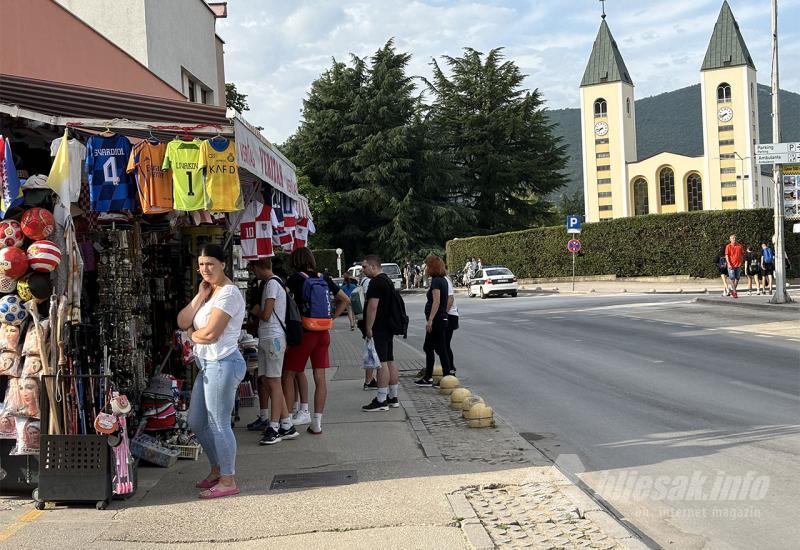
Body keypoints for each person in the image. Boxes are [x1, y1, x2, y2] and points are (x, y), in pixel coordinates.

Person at [178, 244, 246, 499]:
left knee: (219, 422)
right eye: (201, 264)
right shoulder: (210, 292)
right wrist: (198, 297)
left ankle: (228, 480)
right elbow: (183, 320)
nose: (204, 269)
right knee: (196, 421)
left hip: (223, 362)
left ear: (223, 264)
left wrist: (189, 336)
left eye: (210, 264)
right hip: (207, 364)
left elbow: (210, 334)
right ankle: (218, 469)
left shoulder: (229, 294)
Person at [282, 247, 349, 435]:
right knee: (320, 378)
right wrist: (332, 317)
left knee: (289, 374)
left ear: (295, 261)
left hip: (305, 332)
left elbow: (283, 303)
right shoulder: (324, 278)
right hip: (323, 333)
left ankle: (286, 420)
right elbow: (345, 299)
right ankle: (317, 422)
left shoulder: (295, 279)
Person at [249, 258, 298, 445]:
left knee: (274, 382)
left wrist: (255, 311)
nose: (253, 274)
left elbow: (267, 314)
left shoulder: (271, 284)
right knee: (269, 380)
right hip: (270, 337)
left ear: (257, 268)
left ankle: (274, 426)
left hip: (273, 337)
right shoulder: (275, 282)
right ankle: (286, 423)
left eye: (253, 269)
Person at [361, 255, 401, 411]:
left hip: (379, 328)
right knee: (390, 361)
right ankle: (393, 396)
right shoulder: (387, 280)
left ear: (373, 266)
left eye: (365, 267)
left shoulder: (375, 283)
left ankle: (381, 400)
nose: (363, 270)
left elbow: (373, 307)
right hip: (389, 326)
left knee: (381, 363)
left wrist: (368, 327)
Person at [415, 255, 453, 387]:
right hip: (441, 318)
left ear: (432, 267)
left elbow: (436, 301)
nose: (425, 268)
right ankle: (444, 375)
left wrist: (430, 320)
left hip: (437, 319)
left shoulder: (437, 281)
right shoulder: (443, 280)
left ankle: (432, 377)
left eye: (427, 265)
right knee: (438, 347)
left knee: (431, 347)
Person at [358, 272, 378, 390]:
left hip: (365, 321)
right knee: (371, 351)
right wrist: (369, 327)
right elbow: (371, 304)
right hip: (370, 322)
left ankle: (369, 380)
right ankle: (369, 380)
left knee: (369, 349)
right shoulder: (369, 282)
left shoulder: (364, 281)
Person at [444, 272, 459, 374]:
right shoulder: (444, 279)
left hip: (449, 315)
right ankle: (450, 368)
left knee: (444, 344)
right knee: (444, 345)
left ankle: (450, 368)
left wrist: (444, 313)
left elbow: (450, 298)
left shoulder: (445, 280)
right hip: (449, 315)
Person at [724, 234, 744, 298]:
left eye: (735, 238)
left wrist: (741, 262)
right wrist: (729, 263)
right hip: (731, 265)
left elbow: (742, 255)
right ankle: (735, 292)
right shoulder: (728, 246)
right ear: (730, 239)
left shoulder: (739, 246)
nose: (734, 239)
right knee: (732, 278)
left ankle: (733, 290)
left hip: (738, 265)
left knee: (737, 278)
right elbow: (726, 255)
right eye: (732, 238)